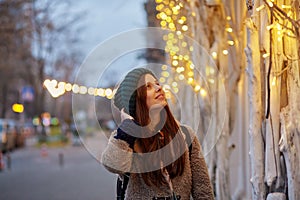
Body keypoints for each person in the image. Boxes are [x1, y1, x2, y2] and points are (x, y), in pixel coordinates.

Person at [101, 68, 214, 200]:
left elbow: (203, 190)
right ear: (136, 100)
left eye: (157, 83)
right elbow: (113, 164)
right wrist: (126, 130)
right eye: (148, 86)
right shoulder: (128, 140)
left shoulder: (185, 135)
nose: (158, 88)